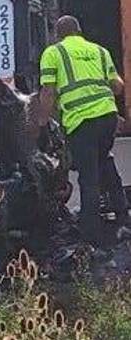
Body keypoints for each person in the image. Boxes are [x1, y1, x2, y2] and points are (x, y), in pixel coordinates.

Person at [35, 15, 131, 245]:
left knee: (88, 177)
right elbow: (118, 86)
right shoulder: (99, 50)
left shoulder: (53, 53)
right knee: (104, 162)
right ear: (79, 31)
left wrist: (41, 123)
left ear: (58, 35)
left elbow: (48, 92)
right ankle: (123, 216)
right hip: (107, 118)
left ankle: (91, 235)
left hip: (81, 121)